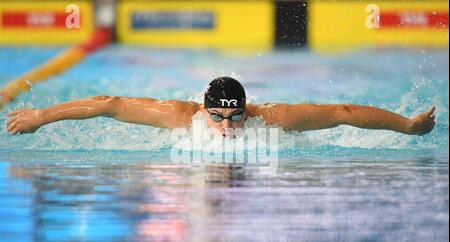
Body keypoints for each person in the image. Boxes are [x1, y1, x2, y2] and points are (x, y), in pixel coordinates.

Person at [5, 76, 435, 137]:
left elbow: (343, 112)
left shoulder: (272, 119)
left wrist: (408, 127)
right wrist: (41, 117)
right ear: (203, 109)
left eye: (235, 117)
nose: (228, 128)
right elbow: (109, 104)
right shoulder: (181, 116)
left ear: (248, 110)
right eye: (218, 117)